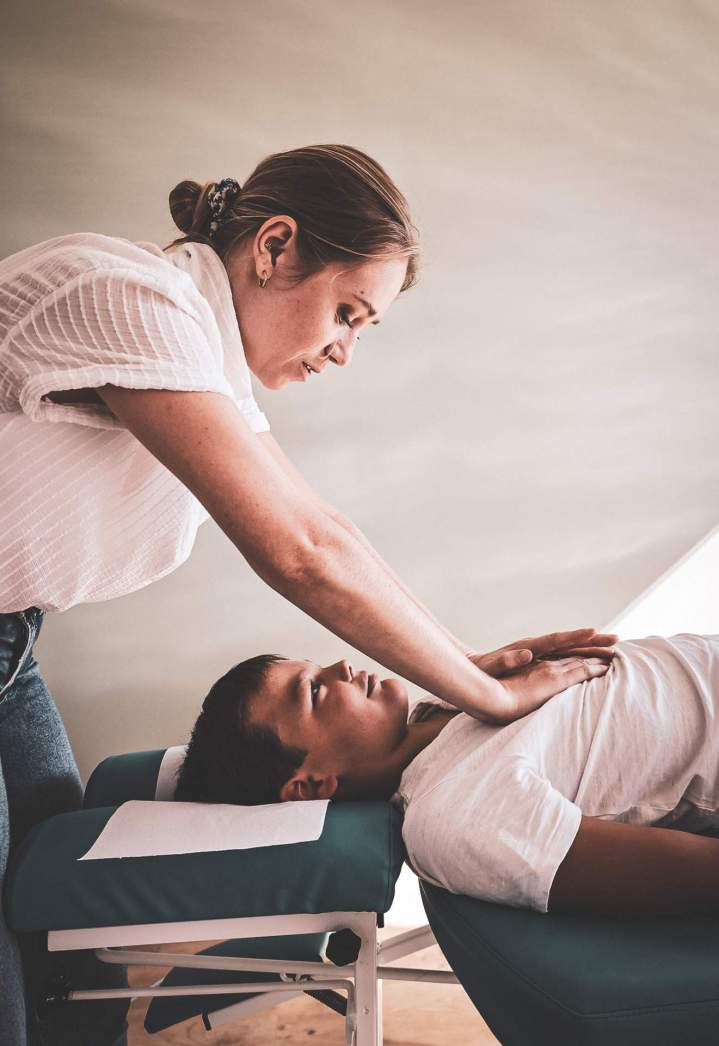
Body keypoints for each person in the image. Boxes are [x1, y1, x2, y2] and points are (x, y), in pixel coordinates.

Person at [0, 144, 615, 1044]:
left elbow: (331, 532)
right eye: (345, 313)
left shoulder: (204, 366)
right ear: (275, 246)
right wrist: (486, 696)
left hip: (11, 645)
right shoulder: (127, 296)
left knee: (58, 920)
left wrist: (457, 667)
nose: (343, 352)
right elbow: (300, 551)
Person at [176, 632, 719, 918]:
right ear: (312, 783)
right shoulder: (451, 813)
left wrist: (470, 678)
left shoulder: (451, 695)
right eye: (315, 690)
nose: (342, 667)